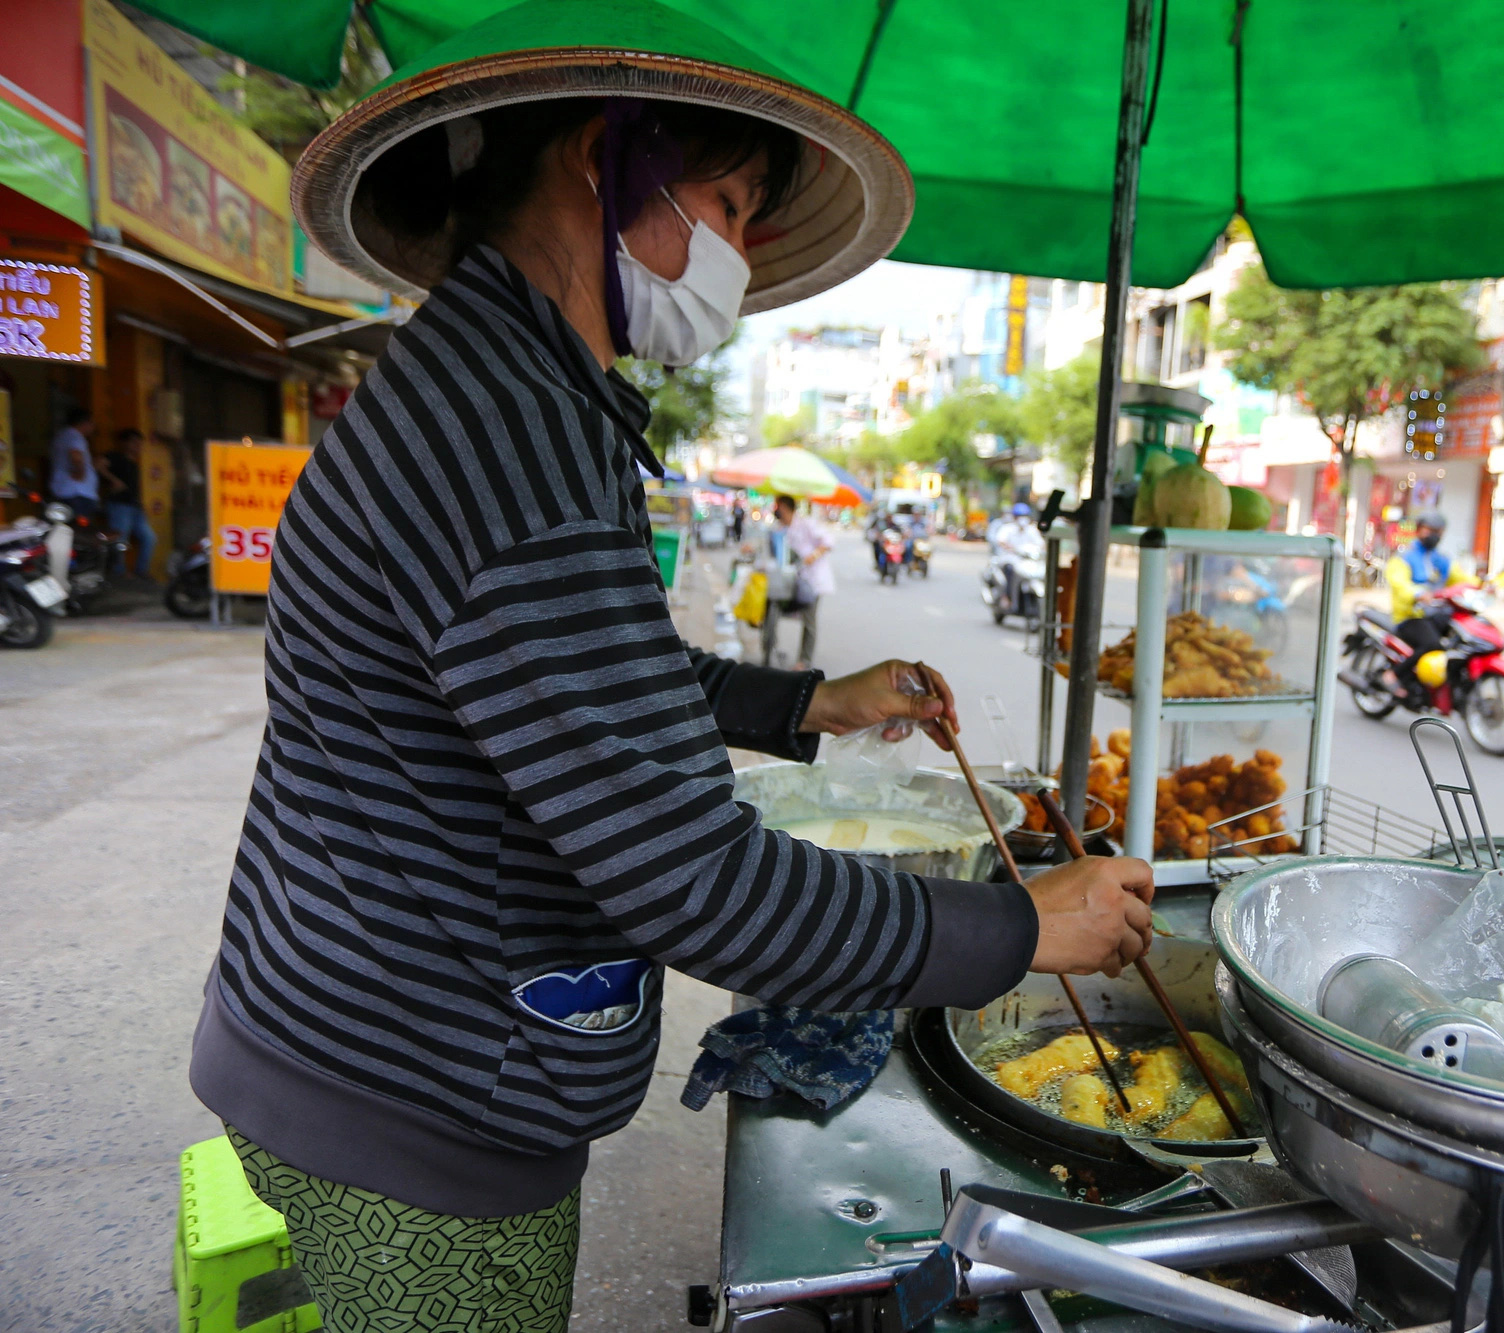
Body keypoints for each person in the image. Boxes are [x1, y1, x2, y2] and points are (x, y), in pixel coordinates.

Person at [186, 15, 1154, 1331]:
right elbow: (698, 883)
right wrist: (1024, 927)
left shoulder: (528, 392)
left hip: (388, 1068)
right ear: (608, 159)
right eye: (733, 205)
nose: (743, 259)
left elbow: (588, 696)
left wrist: (809, 703)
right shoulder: (503, 433)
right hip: (408, 1113)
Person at [1383, 511, 1465, 692]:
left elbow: (1461, 579)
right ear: (1419, 530)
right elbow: (1399, 583)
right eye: (1431, 530)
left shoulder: (1440, 559)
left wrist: (1485, 585)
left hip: (1436, 615)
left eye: (1439, 531)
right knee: (1432, 645)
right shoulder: (1405, 557)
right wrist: (1418, 593)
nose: (1435, 535)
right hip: (1410, 616)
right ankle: (1394, 675)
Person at [762, 492, 830, 669]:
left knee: (809, 622)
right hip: (790, 580)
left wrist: (812, 556)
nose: (774, 510)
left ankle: (804, 661)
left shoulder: (806, 524)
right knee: (771, 611)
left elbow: (829, 541)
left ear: (783, 507)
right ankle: (769, 650)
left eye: (776, 506)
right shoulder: (780, 529)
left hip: (812, 582)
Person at [99, 428, 156, 579]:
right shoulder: (114, 456)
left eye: (139, 443)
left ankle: (141, 570)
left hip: (135, 507)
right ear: (125, 443)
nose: (138, 446)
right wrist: (114, 480)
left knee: (149, 537)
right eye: (134, 442)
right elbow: (98, 464)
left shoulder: (135, 464)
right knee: (120, 539)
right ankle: (119, 572)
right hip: (119, 505)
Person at [47, 406, 99, 521]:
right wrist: (80, 472)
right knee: (78, 531)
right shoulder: (75, 436)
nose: (93, 427)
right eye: (92, 423)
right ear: (85, 423)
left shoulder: (62, 436)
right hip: (77, 493)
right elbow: (75, 455)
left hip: (64, 491)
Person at [992, 500, 1037, 612]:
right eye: (1019, 516)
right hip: (1010, 559)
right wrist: (1010, 547)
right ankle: (1007, 597)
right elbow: (1000, 540)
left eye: (1024, 516)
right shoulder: (1008, 528)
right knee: (1010, 570)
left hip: (1027, 560)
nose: (1022, 519)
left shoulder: (1032, 530)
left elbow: (1041, 544)